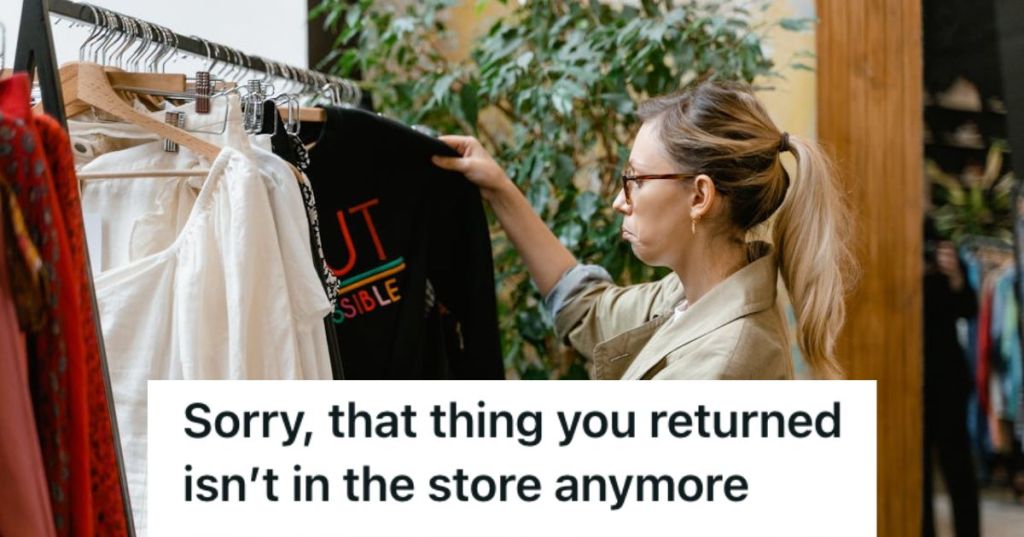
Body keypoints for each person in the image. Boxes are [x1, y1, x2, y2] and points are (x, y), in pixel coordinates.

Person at [432, 79, 856, 379]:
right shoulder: (687, 295)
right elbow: (586, 308)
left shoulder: (723, 366)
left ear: (699, 197)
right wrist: (500, 188)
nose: (620, 200)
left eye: (634, 181)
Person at [921, 218, 980, 537]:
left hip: (947, 377)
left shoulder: (946, 251)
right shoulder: (891, 254)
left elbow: (969, 308)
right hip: (911, 381)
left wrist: (956, 276)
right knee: (916, 470)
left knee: (957, 464)